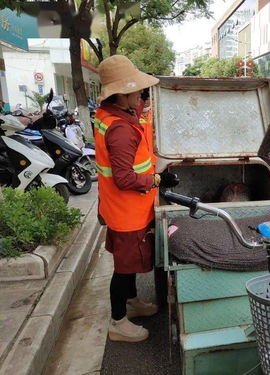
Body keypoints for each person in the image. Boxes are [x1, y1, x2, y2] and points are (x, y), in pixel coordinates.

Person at [94, 55, 179, 342]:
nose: (141, 94)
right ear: (122, 93)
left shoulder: (110, 115)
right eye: (137, 90)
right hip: (127, 210)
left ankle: (131, 302)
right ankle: (118, 322)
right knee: (123, 268)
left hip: (118, 205)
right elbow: (125, 178)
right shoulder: (120, 129)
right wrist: (158, 179)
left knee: (127, 265)